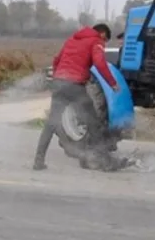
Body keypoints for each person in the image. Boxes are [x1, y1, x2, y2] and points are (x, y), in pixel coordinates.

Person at [33, 22, 127, 171]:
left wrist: (59, 78)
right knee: (93, 123)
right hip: (75, 86)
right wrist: (112, 83)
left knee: (51, 123)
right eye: (105, 41)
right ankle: (105, 162)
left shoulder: (72, 40)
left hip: (59, 84)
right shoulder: (96, 41)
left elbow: (57, 60)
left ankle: (38, 161)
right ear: (102, 34)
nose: (104, 44)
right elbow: (100, 63)